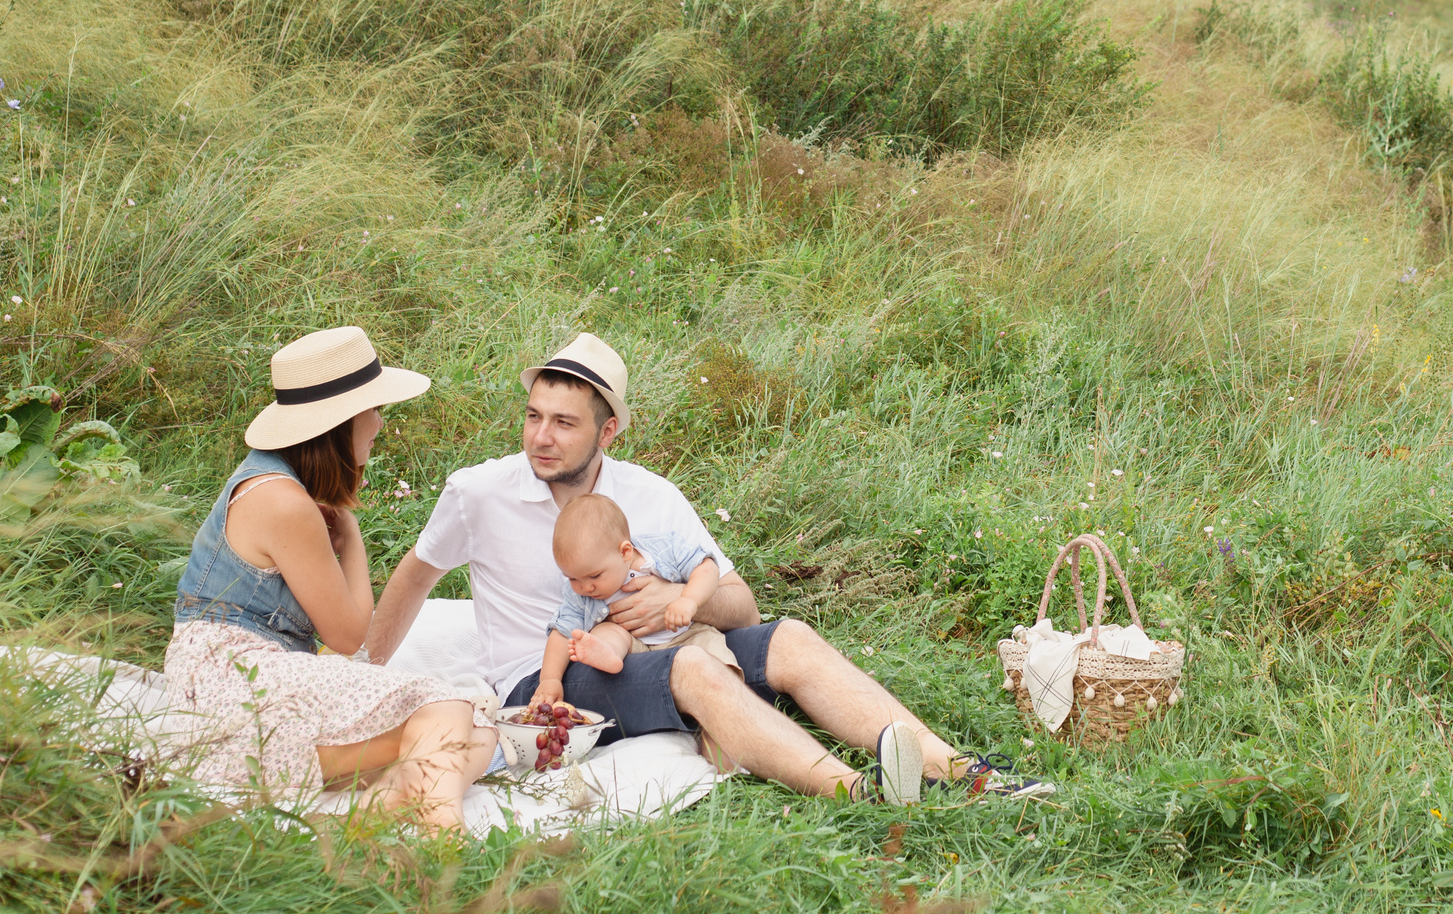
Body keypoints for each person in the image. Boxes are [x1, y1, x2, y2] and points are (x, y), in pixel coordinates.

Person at [368, 334, 1046, 802]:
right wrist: (361, 670)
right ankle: (858, 789)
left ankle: (956, 767)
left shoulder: (650, 495)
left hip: (666, 643)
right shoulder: (479, 491)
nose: (541, 436)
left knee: (790, 637)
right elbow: (414, 576)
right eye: (534, 416)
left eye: (565, 423)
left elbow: (740, 603)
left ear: (608, 432)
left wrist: (673, 595)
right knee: (692, 668)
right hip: (546, 677)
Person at [163, 326, 498, 830]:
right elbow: (347, 637)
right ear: (341, 421)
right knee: (449, 711)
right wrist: (353, 537)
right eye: (374, 409)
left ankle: (390, 800)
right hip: (234, 688)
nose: (380, 424)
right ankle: (442, 830)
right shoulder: (284, 501)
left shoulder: (275, 484)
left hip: (242, 696)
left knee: (476, 723)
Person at [539, 493, 736, 697]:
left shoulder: (663, 549)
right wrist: (550, 679)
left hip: (687, 634)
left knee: (717, 662)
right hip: (635, 650)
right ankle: (608, 652)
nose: (585, 587)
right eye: (572, 579)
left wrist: (688, 599)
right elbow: (562, 631)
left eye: (595, 576)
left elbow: (706, 568)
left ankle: (729, 694)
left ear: (625, 552)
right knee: (605, 630)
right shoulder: (579, 595)